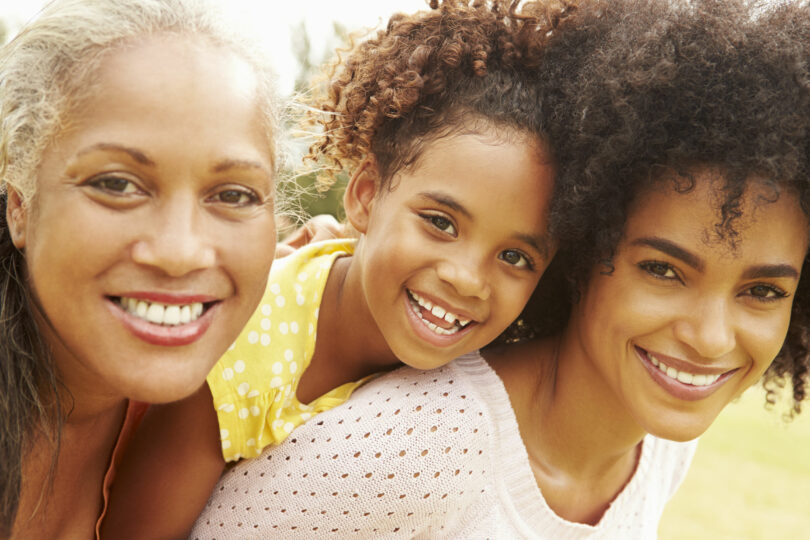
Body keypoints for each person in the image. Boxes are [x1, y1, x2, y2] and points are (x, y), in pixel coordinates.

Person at [190, 0, 810, 537]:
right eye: (664, 270)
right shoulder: (405, 448)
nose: (710, 340)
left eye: (762, 290)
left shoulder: (661, 444)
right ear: (577, 254)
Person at [103, 1, 568, 537]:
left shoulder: (492, 366)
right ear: (366, 196)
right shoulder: (248, 354)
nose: (466, 277)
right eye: (440, 222)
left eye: (515, 257)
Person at [0, 0, 283, 537]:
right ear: (20, 204)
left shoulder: (239, 387)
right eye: (116, 184)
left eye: (233, 194)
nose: (181, 253)